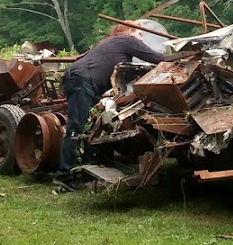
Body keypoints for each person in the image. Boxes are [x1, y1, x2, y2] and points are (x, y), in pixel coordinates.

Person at [55, 24, 167, 182]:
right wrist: (180, 57)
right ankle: (64, 176)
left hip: (82, 80)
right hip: (82, 80)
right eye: (140, 34)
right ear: (130, 31)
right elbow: (156, 57)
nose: (142, 39)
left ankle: (87, 168)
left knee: (91, 126)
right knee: (77, 128)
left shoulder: (115, 45)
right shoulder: (127, 40)